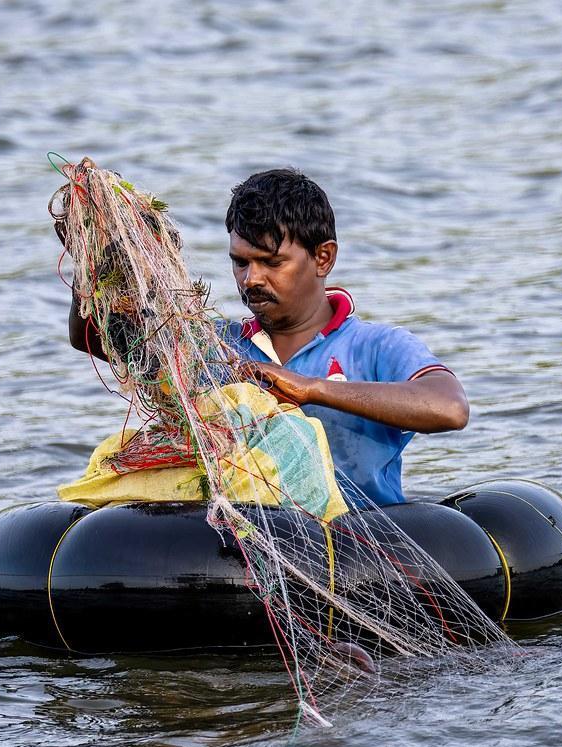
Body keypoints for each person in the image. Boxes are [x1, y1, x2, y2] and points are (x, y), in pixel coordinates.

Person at [67, 166, 469, 507]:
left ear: (323, 258)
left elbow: (449, 407)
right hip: (246, 540)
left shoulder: (375, 346)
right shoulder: (214, 345)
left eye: (271, 262)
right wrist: (92, 255)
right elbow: (91, 338)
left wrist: (312, 389)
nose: (251, 279)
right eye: (240, 262)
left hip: (356, 550)